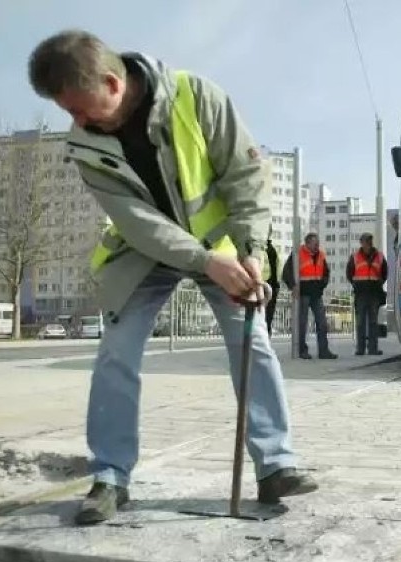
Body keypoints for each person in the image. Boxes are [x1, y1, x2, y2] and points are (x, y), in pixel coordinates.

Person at [27, 29, 317, 525]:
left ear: (113, 83)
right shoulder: (84, 145)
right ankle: (111, 477)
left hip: (224, 244)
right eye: (67, 112)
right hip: (146, 252)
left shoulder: (197, 96)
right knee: (116, 350)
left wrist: (248, 252)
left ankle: (275, 465)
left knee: (253, 340)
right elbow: (137, 222)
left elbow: (245, 178)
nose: (75, 122)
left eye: (79, 108)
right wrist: (204, 262)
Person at [281, 233, 337, 360]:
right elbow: (286, 273)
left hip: (317, 293)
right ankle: (302, 350)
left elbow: (326, 272)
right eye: (315, 243)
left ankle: (324, 351)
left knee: (322, 323)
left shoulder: (321, 254)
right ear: (307, 243)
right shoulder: (297, 254)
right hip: (303, 293)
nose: (317, 245)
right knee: (302, 323)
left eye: (318, 242)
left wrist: (322, 285)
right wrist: (293, 286)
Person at [346, 233, 388, 356]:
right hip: (361, 293)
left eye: (369, 241)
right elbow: (349, 273)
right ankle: (360, 349)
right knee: (360, 322)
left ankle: (373, 349)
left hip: (374, 292)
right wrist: (356, 284)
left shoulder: (379, 256)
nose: (368, 243)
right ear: (361, 242)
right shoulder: (355, 256)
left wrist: (379, 282)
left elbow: (385, 272)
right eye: (366, 241)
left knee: (373, 322)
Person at [264, 230, 280, 337]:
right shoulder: (271, 249)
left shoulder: (270, 249)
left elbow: (276, 269)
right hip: (267, 286)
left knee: (266, 318)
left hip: (268, 286)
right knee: (266, 317)